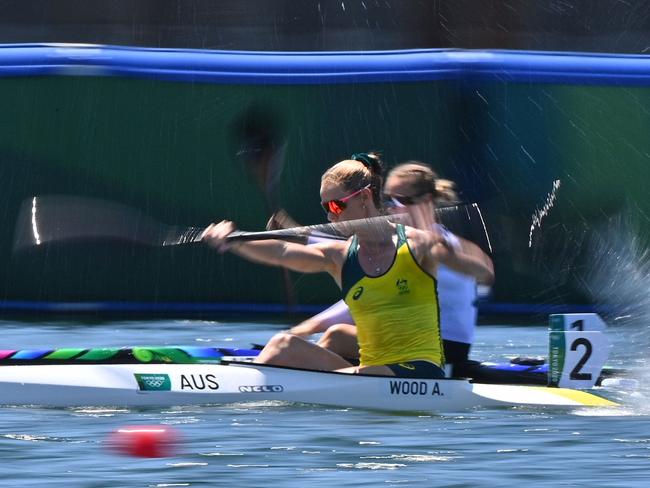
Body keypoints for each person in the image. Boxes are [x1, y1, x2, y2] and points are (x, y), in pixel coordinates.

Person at [202, 153, 494, 378]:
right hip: (373, 371)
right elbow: (281, 251)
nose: (330, 217)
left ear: (365, 197)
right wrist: (235, 241)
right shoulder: (340, 256)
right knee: (333, 336)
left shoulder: (419, 245)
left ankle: (251, 389)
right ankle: (281, 379)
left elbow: (483, 271)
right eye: (325, 208)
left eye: (336, 206)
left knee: (283, 346)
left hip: (419, 373)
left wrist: (447, 253)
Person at [288, 162, 494, 377]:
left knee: (335, 336)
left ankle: (305, 375)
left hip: (442, 348)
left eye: (399, 200)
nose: (389, 207)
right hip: (409, 338)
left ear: (425, 202)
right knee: (337, 335)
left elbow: (366, 296)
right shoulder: (403, 242)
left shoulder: (430, 246)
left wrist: (307, 328)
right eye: (387, 199)